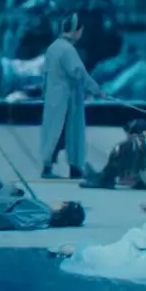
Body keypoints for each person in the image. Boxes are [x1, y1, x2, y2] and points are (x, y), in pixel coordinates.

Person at [40, 13, 103, 181]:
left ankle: (52, 165)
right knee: (68, 134)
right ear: (77, 31)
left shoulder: (53, 47)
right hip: (67, 100)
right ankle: (73, 166)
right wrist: (95, 89)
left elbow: (45, 74)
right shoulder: (67, 50)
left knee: (54, 132)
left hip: (53, 99)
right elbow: (78, 72)